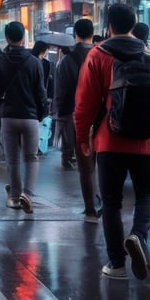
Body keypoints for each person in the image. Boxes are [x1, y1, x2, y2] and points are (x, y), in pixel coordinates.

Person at [73, 2, 150, 280]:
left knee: (111, 202)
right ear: (134, 24)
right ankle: (138, 235)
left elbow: (84, 105)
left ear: (109, 26)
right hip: (147, 140)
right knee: (148, 194)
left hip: (109, 141)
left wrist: (82, 139)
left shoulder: (98, 56)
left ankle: (116, 264)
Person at [0, 22, 48, 213]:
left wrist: (2, 109)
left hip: (9, 117)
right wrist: (41, 114)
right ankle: (27, 195)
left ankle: (14, 197)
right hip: (30, 116)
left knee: (12, 159)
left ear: (6, 38)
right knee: (31, 157)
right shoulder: (34, 62)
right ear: (23, 37)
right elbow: (41, 92)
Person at [54, 18, 102, 221]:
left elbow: (61, 92)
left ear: (75, 35)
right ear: (93, 33)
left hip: (76, 116)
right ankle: (102, 200)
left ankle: (90, 206)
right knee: (101, 162)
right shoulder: (103, 56)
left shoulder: (66, 60)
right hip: (102, 116)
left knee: (85, 166)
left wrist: (60, 116)